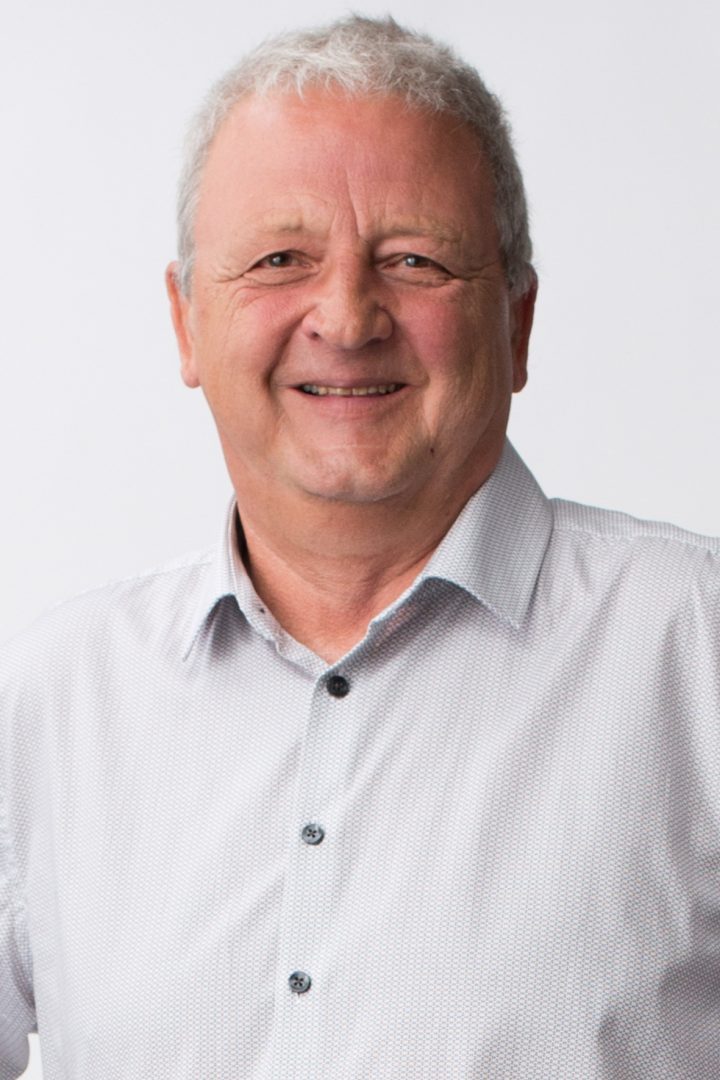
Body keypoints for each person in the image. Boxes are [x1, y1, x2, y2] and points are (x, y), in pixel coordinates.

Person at [1, 14, 718, 1079]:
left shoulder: (696, 649)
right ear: (186, 320)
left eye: (415, 260)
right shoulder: (52, 698)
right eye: (281, 258)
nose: (345, 315)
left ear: (518, 321)